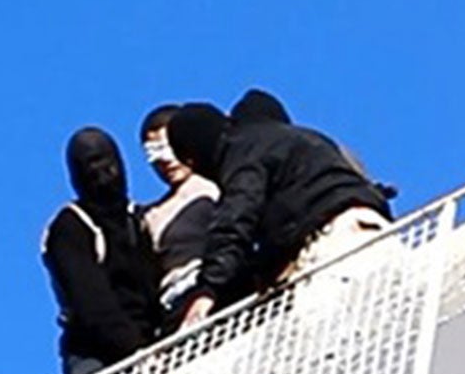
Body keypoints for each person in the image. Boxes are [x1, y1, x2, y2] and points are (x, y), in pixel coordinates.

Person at [167, 96, 394, 326]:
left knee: (325, 344)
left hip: (333, 248)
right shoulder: (296, 139)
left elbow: (236, 218)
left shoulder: (242, 153)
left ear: (193, 157)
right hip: (373, 230)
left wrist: (208, 290)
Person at [41, 127, 163, 374]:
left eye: (106, 162)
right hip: (96, 358)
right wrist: (134, 351)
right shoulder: (70, 227)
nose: (101, 173)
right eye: (88, 166)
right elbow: (92, 302)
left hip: (153, 349)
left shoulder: (138, 219)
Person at [139, 104, 220, 323]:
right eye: (153, 154)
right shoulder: (149, 215)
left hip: (218, 291)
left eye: (167, 148)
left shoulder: (216, 185)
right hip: (173, 310)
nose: (164, 161)